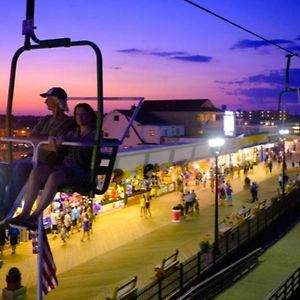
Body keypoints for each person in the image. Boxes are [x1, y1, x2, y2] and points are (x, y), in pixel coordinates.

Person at [9, 103, 97, 228]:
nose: (80, 117)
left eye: (83, 114)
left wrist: (66, 140)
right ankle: (25, 213)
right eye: (77, 114)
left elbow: (87, 142)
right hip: (66, 168)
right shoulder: (74, 133)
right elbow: (61, 145)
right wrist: (54, 141)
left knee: (54, 177)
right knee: (36, 172)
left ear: (90, 116)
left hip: (80, 171)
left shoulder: (95, 133)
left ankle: (35, 216)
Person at [0, 87, 74, 221]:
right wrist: (46, 142)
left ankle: (6, 208)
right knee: (3, 167)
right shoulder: (46, 119)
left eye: (48, 99)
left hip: (47, 164)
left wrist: (42, 141)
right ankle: (1, 204)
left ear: (56, 101)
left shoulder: (68, 123)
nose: (45, 102)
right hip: (34, 159)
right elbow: (32, 136)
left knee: (20, 168)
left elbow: (57, 146)